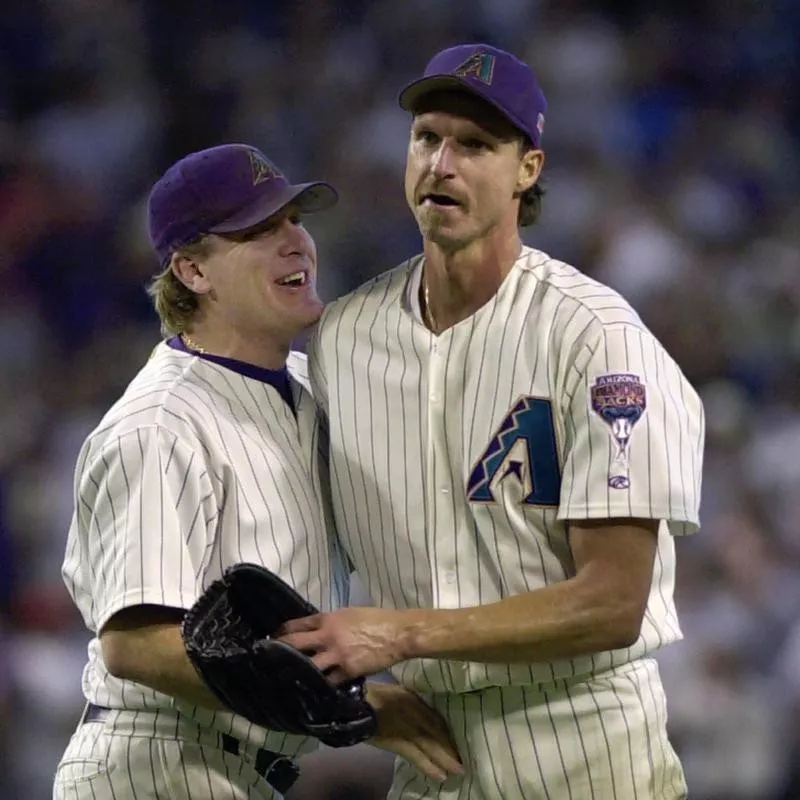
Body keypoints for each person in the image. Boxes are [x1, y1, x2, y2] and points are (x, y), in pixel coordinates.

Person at [283, 44, 705, 799]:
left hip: (587, 746)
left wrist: (403, 632)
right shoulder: (343, 337)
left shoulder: (596, 338)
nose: (442, 162)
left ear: (528, 171)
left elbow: (612, 601)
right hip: (428, 749)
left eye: (475, 144)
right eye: (427, 138)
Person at [54, 143, 462, 800]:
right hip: (156, 764)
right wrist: (350, 703)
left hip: (237, 768)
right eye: (259, 229)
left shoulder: (309, 390)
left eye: (294, 219)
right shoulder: (162, 424)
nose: (296, 240)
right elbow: (133, 646)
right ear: (192, 271)